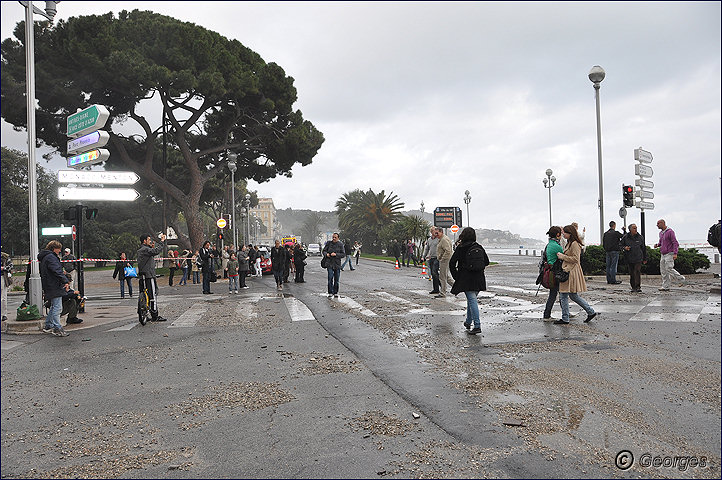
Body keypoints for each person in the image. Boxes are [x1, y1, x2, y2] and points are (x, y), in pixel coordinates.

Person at [449, 227, 489, 335]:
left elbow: (451, 263)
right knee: (472, 300)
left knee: (472, 300)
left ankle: (477, 325)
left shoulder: (461, 248)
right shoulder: (478, 247)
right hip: (479, 278)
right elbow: (487, 261)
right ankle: (468, 321)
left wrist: (456, 276)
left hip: (466, 278)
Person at [555, 225, 597, 325]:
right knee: (572, 295)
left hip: (571, 271)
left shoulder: (574, 244)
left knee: (564, 295)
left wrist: (563, 257)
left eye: (564, 232)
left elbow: (575, 259)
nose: (563, 234)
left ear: (570, 233)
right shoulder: (571, 243)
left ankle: (565, 318)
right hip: (570, 271)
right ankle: (590, 311)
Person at [38, 240, 71, 337]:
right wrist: (65, 281)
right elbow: (57, 270)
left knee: (53, 306)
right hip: (54, 284)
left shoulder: (45, 257)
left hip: (49, 284)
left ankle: (48, 325)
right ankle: (57, 328)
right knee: (57, 307)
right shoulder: (51, 258)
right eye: (58, 248)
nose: (60, 251)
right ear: (53, 248)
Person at [137, 233, 167, 322]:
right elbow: (156, 251)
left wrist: (151, 247)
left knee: (143, 293)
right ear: (144, 241)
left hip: (142, 275)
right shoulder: (145, 249)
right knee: (152, 295)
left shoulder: (142, 250)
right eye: (149, 240)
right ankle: (155, 315)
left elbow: (151, 253)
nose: (150, 241)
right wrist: (162, 241)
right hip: (149, 276)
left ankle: (143, 312)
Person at [654, 219, 685, 291]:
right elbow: (661, 242)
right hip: (663, 253)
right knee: (663, 270)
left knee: (669, 268)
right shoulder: (661, 233)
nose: (657, 225)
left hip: (669, 253)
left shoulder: (670, 232)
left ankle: (681, 279)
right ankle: (665, 286)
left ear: (662, 223)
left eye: (658, 224)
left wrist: (675, 253)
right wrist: (657, 245)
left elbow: (675, 242)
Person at [542, 226, 564, 321]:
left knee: (554, 294)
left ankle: (547, 314)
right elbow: (563, 257)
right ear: (558, 234)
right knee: (561, 294)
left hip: (550, 273)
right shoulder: (556, 246)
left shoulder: (549, 244)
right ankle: (564, 313)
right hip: (555, 273)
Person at [621, 224, 647, 293]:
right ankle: (633, 287)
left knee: (637, 271)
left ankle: (638, 286)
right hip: (629, 257)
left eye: (636, 228)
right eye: (634, 228)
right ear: (630, 230)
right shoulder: (625, 237)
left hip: (638, 257)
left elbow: (643, 248)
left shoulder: (640, 237)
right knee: (632, 272)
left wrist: (645, 258)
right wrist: (624, 248)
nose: (636, 229)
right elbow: (620, 245)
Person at [323, 233, 345, 297]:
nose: (334, 238)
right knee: (330, 278)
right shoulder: (329, 243)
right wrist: (326, 254)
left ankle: (336, 292)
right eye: (333, 237)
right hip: (329, 263)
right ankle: (330, 292)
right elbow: (324, 251)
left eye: (335, 237)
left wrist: (336, 254)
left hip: (337, 264)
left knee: (337, 279)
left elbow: (343, 254)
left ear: (338, 238)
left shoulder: (340, 244)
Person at [436, 228, 455, 298]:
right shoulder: (441, 239)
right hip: (445, 259)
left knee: (442, 277)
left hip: (445, 260)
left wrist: (442, 258)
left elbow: (448, 251)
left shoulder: (444, 240)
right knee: (446, 276)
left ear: (441, 232)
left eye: (437, 233)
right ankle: (456, 287)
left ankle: (443, 293)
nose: (436, 235)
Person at [422, 227, 441, 295]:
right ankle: (437, 288)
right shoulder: (429, 239)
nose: (435, 232)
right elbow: (427, 249)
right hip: (431, 257)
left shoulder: (439, 239)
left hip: (437, 257)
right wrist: (423, 257)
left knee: (434, 272)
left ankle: (439, 287)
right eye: (433, 231)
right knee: (434, 273)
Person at [1, 250, 13, 322]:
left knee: (3, 297)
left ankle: (4, 314)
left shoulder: (4, 256)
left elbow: (11, 266)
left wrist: (3, 268)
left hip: (2, 277)